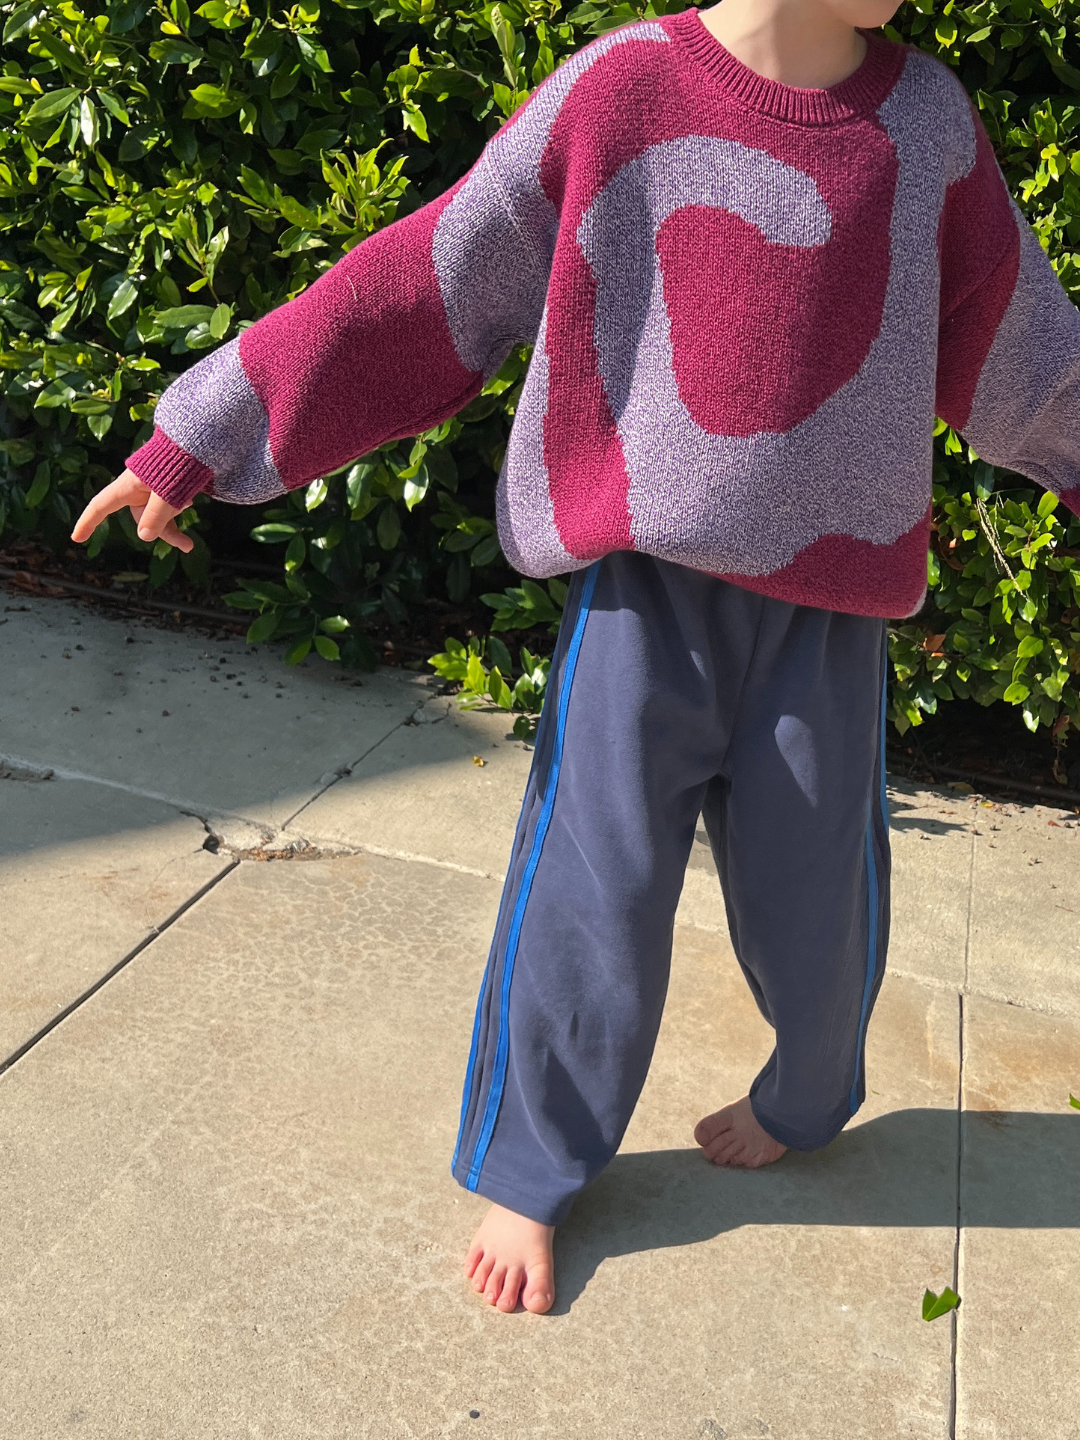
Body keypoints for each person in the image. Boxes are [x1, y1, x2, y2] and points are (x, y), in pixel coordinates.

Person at [73, 0, 1080, 1316]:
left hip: (829, 612)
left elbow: (1022, 348)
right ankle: (533, 1163)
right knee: (588, 898)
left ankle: (811, 1087)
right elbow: (428, 282)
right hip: (641, 605)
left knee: (819, 894)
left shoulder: (928, 127)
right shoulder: (623, 91)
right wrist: (210, 425)